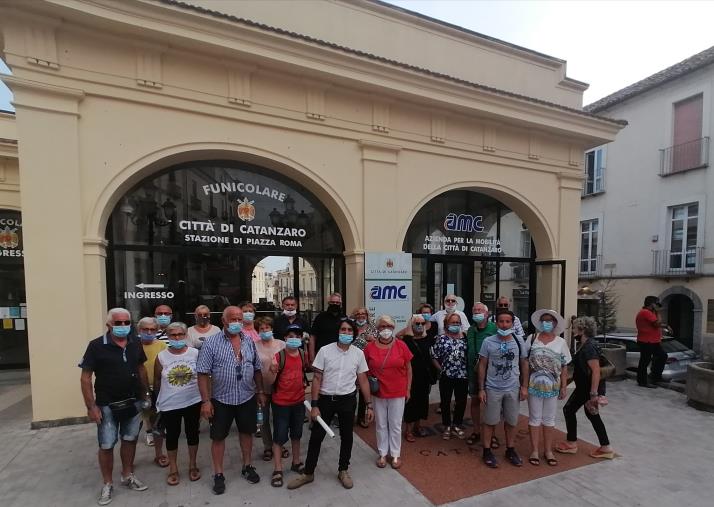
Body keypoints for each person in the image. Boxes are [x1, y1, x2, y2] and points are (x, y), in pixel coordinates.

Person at [287, 318, 374, 491]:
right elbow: (317, 379)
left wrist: (369, 405)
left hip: (348, 400)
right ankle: (308, 473)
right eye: (343, 330)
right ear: (338, 331)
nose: (346, 333)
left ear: (354, 333)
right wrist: (315, 405)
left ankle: (343, 470)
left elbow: (363, 380)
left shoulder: (358, 353)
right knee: (316, 437)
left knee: (347, 437)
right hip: (325, 400)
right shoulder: (325, 351)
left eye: (350, 330)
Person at [79, 308, 150, 506]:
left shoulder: (135, 342)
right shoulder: (96, 346)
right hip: (106, 404)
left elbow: (141, 368)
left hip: (133, 401)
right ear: (109, 325)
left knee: (130, 439)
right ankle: (107, 483)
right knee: (107, 444)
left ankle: (127, 475)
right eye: (118, 323)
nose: (122, 326)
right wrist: (91, 406)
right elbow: (85, 378)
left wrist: (145, 394)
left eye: (126, 322)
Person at [196, 306, 267, 495]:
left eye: (239, 319)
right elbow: (202, 373)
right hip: (221, 399)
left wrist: (260, 391)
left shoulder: (249, 341)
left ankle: (247, 466)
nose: (236, 322)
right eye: (233, 319)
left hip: (247, 396)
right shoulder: (211, 343)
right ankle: (218, 474)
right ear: (224, 321)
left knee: (247, 433)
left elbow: (257, 368)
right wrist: (205, 401)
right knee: (218, 437)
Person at [556, 316, 614, 460]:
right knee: (591, 414)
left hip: (587, 389)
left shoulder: (589, 347)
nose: (573, 330)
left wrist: (594, 394)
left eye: (575, 327)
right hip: (586, 388)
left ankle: (572, 443)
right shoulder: (587, 344)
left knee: (569, 410)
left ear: (582, 329)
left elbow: (595, 371)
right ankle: (605, 446)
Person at [477, 310, 528, 468]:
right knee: (490, 421)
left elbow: (524, 363)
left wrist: (525, 386)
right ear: (496, 323)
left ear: (513, 324)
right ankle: (486, 451)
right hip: (493, 388)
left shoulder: (519, 341)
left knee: (511, 421)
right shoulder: (488, 341)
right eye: (501, 321)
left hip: (513, 387)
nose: (504, 325)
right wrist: (481, 388)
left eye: (508, 322)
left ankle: (510, 449)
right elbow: (482, 365)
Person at [154, 322, 202, 485]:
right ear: (168, 336)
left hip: (193, 400)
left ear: (185, 336)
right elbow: (157, 380)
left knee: (192, 433)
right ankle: (173, 468)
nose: (177, 338)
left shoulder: (195, 353)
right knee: (172, 436)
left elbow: (203, 376)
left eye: (180, 334)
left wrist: (206, 399)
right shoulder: (161, 357)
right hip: (170, 403)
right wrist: (157, 401)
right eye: (173, 335)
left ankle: (193, 464)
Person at [364, 315, 412, 469]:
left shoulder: (401, 345)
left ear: (393, 328)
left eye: (389, 326)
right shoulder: (369, 347)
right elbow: (363, 370)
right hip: (378, 392)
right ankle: (383, 453)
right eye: (382, 326)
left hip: (398, 391)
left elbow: (409, 368)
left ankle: (395, 454)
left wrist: (408, 389)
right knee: (381, 424)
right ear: (377, 329)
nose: (385, 330)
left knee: (396, 424)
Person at [524, 309, 571, 467]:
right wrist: (523, 384)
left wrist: (564, 386)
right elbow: (524, 362)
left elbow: (564, 366)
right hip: (533, 385)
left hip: (553, 387)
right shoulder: (532, 339)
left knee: (549, 419)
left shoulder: (561, 342)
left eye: (550, 320)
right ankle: (535, 450)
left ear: (555, 323)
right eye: (544, 320)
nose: (546, 323)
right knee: (534, 418)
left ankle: (548, 450)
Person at [269, 324, 310, 487]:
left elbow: (302, 373)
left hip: (298, 402)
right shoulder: (278, 356)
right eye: (290, 336)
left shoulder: (301, 354)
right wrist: (272, 372)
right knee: (279, 436)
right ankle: (278, 469)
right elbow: (270, 382)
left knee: (297, 434)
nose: (294, 339)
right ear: (285, 338)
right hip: (281, 403)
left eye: (297, 336)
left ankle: (296, 462)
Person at [137, 317, 168, 468]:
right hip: (137, 389)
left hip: (157, 387)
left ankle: (159, 454)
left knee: (157, 423)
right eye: (145, 330)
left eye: (152, 330)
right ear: (139, 330)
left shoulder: (162, 345)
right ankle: (130, 460)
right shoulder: (133, 346)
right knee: (133, 426)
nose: (149, 332)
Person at [254, 316, 287, 462]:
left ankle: (280, 445)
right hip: (261, 389)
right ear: (258, 331)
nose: (265, 330)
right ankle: (267, 446)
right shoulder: (253, 345)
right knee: (263, 419)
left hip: (280, 388)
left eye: (267, 328)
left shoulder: (281, 344)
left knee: (281, 419)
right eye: (261, 328)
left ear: (272, 329)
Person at [431, 312, 469, 440]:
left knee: (461, 402)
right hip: (446, 375)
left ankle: (457, 425)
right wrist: (441, 369)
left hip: (462, 375)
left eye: (457, 323)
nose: (455, 325)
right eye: (453, 322)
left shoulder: (465, 337)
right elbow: (434, 357)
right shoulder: (441, 339)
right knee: (445, 402)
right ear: (446, 324)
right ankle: (447, 425)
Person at [465, 302, 497, 446]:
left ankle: (493, 434)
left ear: (486, 313)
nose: (477, 312)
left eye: (479, 310)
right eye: (474, 310)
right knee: (475, 401)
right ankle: (476, 431)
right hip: (473, 371)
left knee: (492, 404)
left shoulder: (494, 328)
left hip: (491, 372)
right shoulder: (471, 330)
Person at [402, 314, 436, 440]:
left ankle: (418, 426)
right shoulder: (407, 340)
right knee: (411, 403)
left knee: (422, 402)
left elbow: (432, 356)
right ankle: (408, 430)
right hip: (411, 377)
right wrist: (408, 328)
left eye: (422, 323)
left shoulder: (428, 338)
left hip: (425, 376)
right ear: (411, 325)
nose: (420, 326)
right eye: (417, 323)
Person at [635, 296, 671, 388]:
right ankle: (642, 381)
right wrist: (658, 312)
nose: (658, 306)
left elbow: (657, 324)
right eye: (656, 304)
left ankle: (655, 376)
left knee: (662, 356)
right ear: (652, 304)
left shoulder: (650, 313)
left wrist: (666, 326)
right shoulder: (645, 312)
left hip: (653, 341)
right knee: (644, 361)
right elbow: (657, 323)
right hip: (646, 341)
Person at [351, 306, 377, 427]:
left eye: (363, 314)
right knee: (350, 392)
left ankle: (361, 416)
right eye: (358, 314)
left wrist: (372, 340)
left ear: (367, 316)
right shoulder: (350, 328)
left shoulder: (373, 328)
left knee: (363, 391)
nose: (361, 316)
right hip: (350, 363)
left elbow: (380, 344)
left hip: (366, 363)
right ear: (354, 316)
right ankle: (349, 416)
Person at [308, 292, 346, 363]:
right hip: (322, 355)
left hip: (340, 355)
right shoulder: (320, 317)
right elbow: (312, 337)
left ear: (340, 304)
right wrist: (312, 357)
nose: (335, 304)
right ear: (328, 303)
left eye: (337, 303)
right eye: (332, 302)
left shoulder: (344, 318)